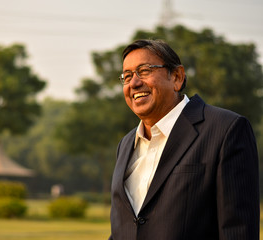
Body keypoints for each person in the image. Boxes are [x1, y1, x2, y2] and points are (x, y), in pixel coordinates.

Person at [109, 39, 260, 240]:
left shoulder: (226, 130)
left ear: (177, 77)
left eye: (144, 71)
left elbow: (238, 231)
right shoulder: (126, 145)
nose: (134, 83)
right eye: (127, 76)